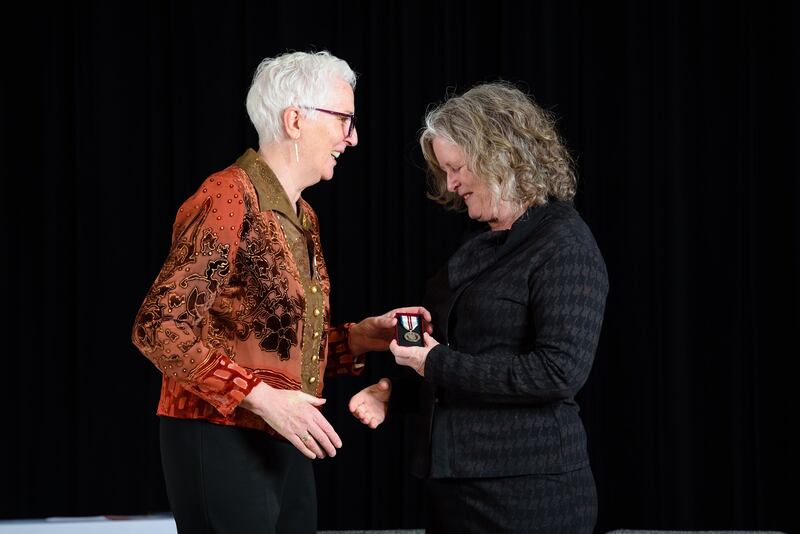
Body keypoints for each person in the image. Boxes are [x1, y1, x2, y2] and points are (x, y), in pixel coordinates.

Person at [131, 50, 429, 534]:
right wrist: (259, 396)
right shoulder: (228, 195)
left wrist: (356, 340)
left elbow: (269, 345)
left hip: (282, 435)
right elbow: (158, 327)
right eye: (344, 120)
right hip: (217, 434)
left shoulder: (303, 215)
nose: (352, 138)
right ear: (295, 120)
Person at [387, 82, 609, 533]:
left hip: (528, 495)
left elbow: (558, 371)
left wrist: (436, 362)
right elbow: (454, 360)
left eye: (457, 168)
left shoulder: (565, 245)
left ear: (499, 155)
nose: (450, 184)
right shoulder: (476, 249)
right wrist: (393, 389)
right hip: (453, 487)